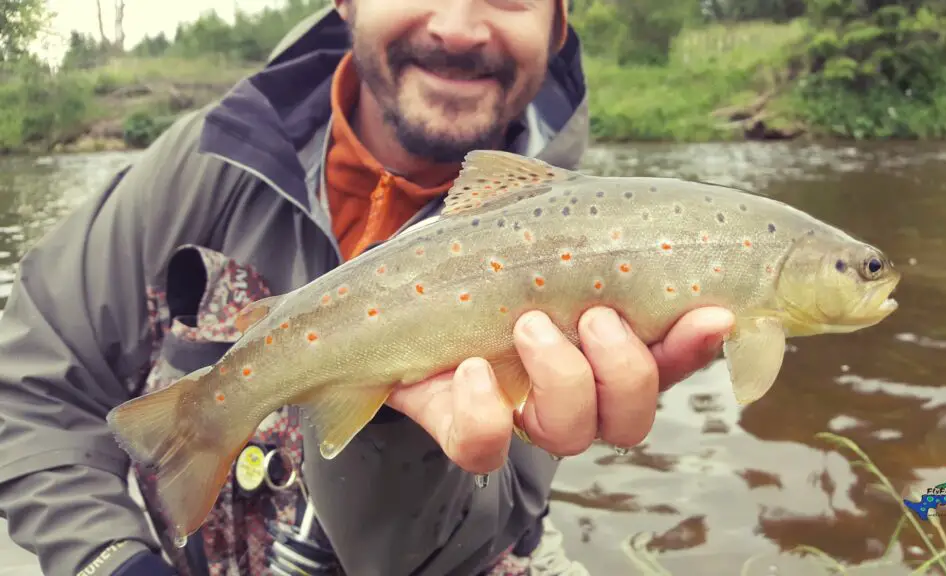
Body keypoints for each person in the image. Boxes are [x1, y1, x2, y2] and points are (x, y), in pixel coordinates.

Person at [0, 1, 736, 575]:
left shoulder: (610, 246)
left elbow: (452, 555)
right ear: (345, 0)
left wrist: (386, 402)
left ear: (557, 21)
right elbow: (28, 393)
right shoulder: (199, 169)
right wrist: (114, 563)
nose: (457, 25)